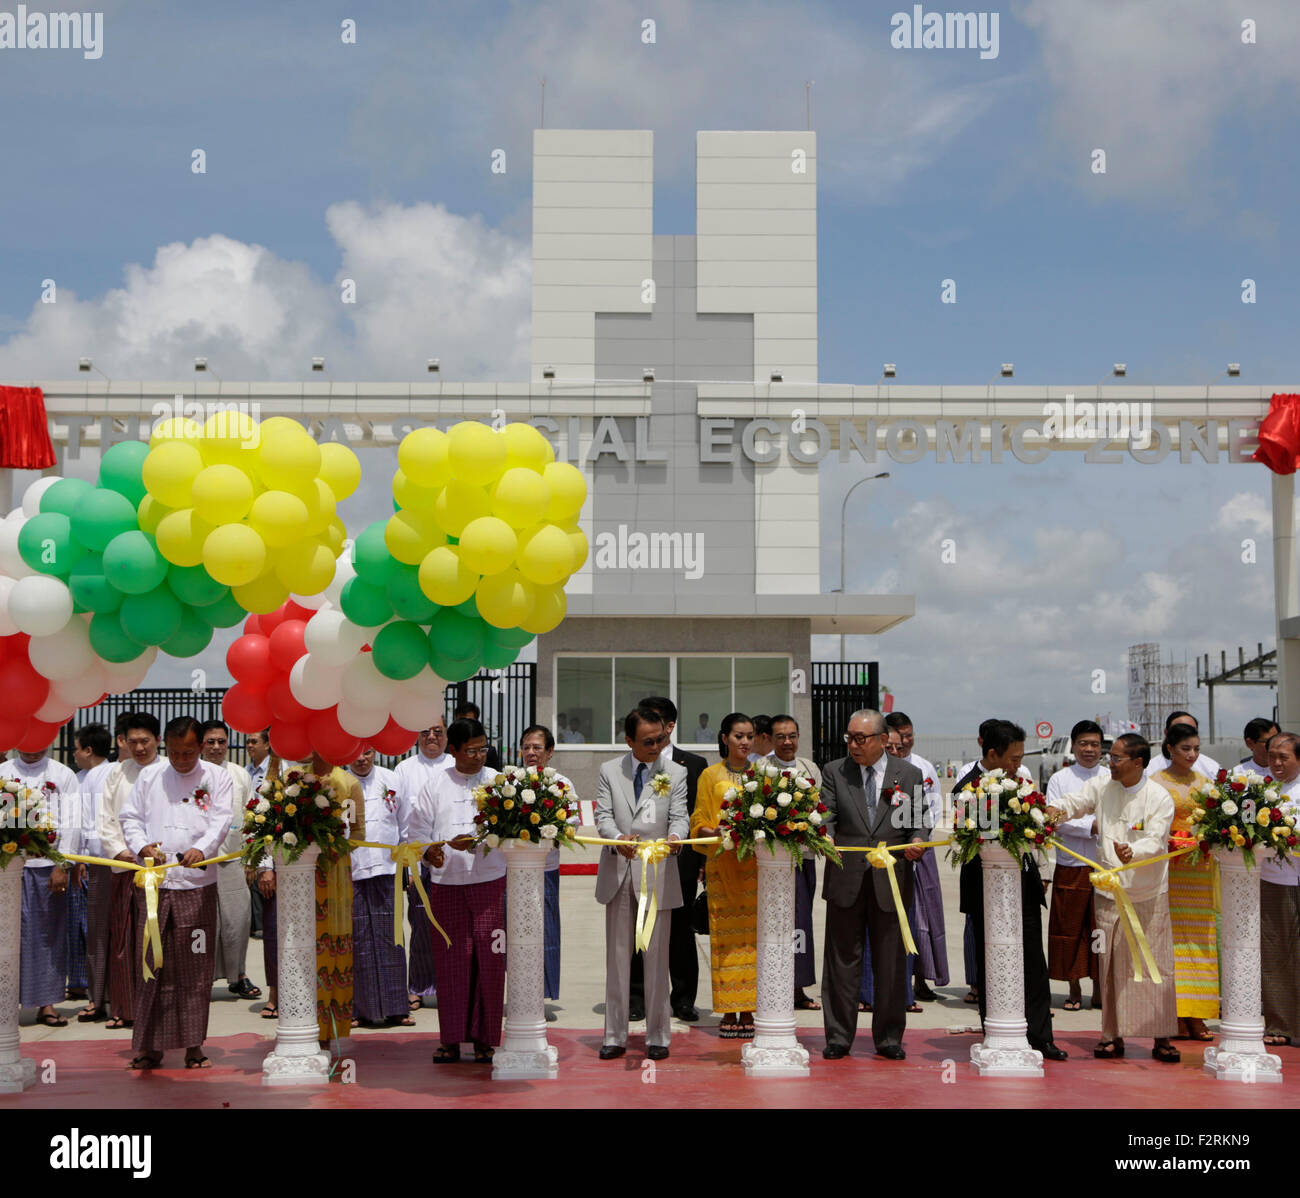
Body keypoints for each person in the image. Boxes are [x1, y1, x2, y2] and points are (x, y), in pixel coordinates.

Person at [1045, 733, 1180, 1062]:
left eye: (1117, 758)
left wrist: (1131, 850)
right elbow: (1075, 802)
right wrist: (1052, 812)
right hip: (1108, 893)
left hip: (1147, 895)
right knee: (1109, 966)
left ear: (1138, 763)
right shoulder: (1104, 786)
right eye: (1111, 757)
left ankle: (1161, 1037)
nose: (1110, 763)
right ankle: (1111, 1036)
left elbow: (1157, 839)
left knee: (1154, 965)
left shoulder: (1159, 797)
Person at [118, 716, 234, 1069]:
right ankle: (149, 1046)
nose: (182, 759)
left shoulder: (217, 777)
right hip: (155, 886)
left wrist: (203, 848)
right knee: (151, 964)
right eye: (175, 752)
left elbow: (221, 819)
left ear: (200, 747)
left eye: (188, 752)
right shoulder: (150, 775)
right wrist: (141, 847)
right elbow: (130, 817)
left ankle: (193, 1045)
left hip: (196, 886)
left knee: (194, 968)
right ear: (165, 747)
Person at [957, 720, 1068, 1061]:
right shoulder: (966, 788)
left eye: (1021, 757)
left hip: (1024, 884)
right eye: (1013, 757)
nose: (1018, 764)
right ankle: (996, 1030)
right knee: (992, 962)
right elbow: (968, 836)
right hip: (983, 888)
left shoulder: (1026, 784)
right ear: (992, 754)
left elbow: (1039, 836)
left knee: (1034, 963)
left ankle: (1041, 1036)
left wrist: (1044, 871)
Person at [819, 709, 926, 1061]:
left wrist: (917, 842)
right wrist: (827, 838)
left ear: (883, 740)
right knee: (841, 962)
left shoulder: (907, 775)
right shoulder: (835, 771)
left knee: (891, 962)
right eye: (849, 737)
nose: (853, 744)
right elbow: (826, 816)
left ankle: (889, 1038)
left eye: (861, 738)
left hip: (891, 879)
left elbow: (917, 823)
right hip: (845, 876)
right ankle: (838, 1036)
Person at [595, 707, 688, 1060]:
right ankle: (614, 1035)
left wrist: (678, 835)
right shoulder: (609, 771)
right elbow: (603, 814)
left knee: (657, 959)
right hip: (619, 871)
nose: (657, 746)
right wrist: (617, 837)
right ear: (629, 740)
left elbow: (680, 815)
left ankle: (659, 1036)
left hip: (658, 873)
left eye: (662, 739)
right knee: (617, 960)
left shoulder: (675, 772)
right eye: (648, 741)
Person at [411, 718, 505, 1064]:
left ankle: (485, 1039)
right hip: (448, 884)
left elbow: (511, 828)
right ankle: (450, 1039)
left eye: (483, 748)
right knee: (452, 961)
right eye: (471, 750)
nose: (479, 756)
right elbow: (417, 830)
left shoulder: (498, 782)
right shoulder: (435, 784)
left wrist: (484, 841)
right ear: (453, 750)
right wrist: (428, 851)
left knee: (490, 961)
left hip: (491, 882)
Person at [628, 695, 708, 1023]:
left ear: (670, 726)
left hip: (680, 863)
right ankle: (637, 996)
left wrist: (698, 860)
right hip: (639, 862)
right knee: (638, 930)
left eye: (656, 721)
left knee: (680, 934)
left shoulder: (694, 765)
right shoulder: (632, 764)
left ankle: (684, 999)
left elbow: (696, 814)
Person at [2, 742, 80, 1028]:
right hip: (8, 867)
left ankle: (46, 1003)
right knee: (8, 936)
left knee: (48, 935)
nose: (33, 749)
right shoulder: (4, 772)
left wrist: (63, 864)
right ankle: (5, 1003)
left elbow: (73, 822)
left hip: (48, 867)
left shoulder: (63, 775)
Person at [689, 713, 758, 1038]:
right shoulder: (709, 775)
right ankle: (730, 1009)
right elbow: (698, 818)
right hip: (722, 866)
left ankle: (750, 1009)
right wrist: (713, 831)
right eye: (738, 736)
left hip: (756, 871)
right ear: (724, 738)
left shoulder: (762, 774)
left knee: (753, 941)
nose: (744, 742)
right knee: (724, 941)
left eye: (749, 736)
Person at [1151, 721, 1219, 1041]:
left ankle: (1198, 1014)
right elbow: (1145, 825)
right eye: (1185, 749)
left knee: (1201, 942)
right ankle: (1176, 1012)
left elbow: (1216, 823)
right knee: (1171, 943)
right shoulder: (1154, 783)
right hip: (1168, 871)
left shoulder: (1207, 784)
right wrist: (1168, 841)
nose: (1192, 754)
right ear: (1170, 749)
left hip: (1200, 871)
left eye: (1196, 749)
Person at [97, 711, 161, 1029]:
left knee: (155, 940)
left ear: (157, 740)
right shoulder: (117, 773)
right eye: (133, 741)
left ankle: (155, 1009)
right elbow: (106, 818)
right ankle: (125, 1008)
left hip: (162, 870)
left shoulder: (169, 770)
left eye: (145, 741)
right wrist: (122, 852)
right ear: (124, 742)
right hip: (125, 866)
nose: (139, 748)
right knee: (124, 939)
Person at [884, 710, 947, 1002]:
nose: (904, 743)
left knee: (924, 917)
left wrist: (918, 840)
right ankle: (897, 983)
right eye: (899, 738)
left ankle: (922, 978)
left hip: (921, 850)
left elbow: (932, 808)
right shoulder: (881, 767)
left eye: (909, 736)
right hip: (889, 852)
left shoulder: (923, 767)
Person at [348, 747, 413, 1028]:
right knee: (358, 938)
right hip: (351, 870)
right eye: (355, 753)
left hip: (388, 869)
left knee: (391, 937)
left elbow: (406, 825)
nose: (361, 759)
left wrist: (407, 865)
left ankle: (397, 1006)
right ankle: (359, 1009)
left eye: (367, 752)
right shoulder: (338, 783)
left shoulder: (392, 779)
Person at [1045, 720, 1106, 1011]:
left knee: (1100, 929)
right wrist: (1091, 826)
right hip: (1070, 863)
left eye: (1095, 744)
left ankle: (1100, 987)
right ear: (1074, 745)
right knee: (1069, 927)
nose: (1089, 750)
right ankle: (1073, 987)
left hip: (1104, 865)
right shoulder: (1060, 779)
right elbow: (1055, 819)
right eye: (1084, 743)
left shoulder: (1111, 777)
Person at [199, 720, 260, 1002]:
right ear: (201, 744)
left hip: (234, 858)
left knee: (237, 921)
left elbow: (252, 818)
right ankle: (201, 978)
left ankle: (239, 976)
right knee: (204, 924)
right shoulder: (191, 773)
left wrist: (252, 860)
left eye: (221, 741)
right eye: (210, 741)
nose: (216, 747)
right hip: (199, 863)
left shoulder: (239, 775)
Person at [394, 719, 452, 1010]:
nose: (432, 737)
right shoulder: (404, 770)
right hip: (416, 862)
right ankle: (417, 987)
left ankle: (450, 985)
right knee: (419, 924)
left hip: (453, 863)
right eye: (425, 731)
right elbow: (398, 821)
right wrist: (405, 864)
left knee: (451, 927)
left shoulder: (455, 766)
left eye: (438, 732)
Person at [519, 724, 578, 1006]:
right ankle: (518, 990)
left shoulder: (562, 784)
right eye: (527, 747)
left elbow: (573, 823)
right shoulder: (511, 782)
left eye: (537, 748)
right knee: (515, 933)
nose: (531, 753)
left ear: (550, 752)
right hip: (513, 872)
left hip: (546, 871)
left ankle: (542, 994)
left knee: (546, 931)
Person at [768, 714, 822, 1010]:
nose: (787, 742)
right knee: (773, 923)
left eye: (792, 736)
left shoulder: (809, 768)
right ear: (772, 739)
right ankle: (773, 982)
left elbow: (821, 808)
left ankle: (798, 987)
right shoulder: (762, 769)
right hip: (771, 862)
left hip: (804, 858)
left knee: (801, 922)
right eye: (780, 736)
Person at [72, 723, 113, 1022]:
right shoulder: (120, 772)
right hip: (123, 861)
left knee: (98, 934)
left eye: (76, 748)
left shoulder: (89, 779)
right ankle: (115, 998)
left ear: (88, 750)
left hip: (100, 863)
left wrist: (79, 860)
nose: (74, 754)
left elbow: (84, 823)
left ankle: (98, 998)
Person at [1261, 732, 1300, 1046]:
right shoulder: (1262, 791)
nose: (1276, 763)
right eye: (1272, 756)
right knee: (1274, 956)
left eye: (1283, 757)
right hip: (1272, 882)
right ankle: (1279, 1025)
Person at [245, 729, 271, 940]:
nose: (250, 745)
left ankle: (264, 923)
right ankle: (256, 923)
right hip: (249, 832)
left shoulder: (274, 770)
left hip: (269, 833)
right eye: (248, 742)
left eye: (254, 741)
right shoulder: (245, 772)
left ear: (267, 744)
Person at [1144, 711, 1221, 779]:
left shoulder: (1211, 768)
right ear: (1166, 733)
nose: (1187, 735)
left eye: (1191, 731)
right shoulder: (1150, 771)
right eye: (1180, 731)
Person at [453, 702, 502, 770]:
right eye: (461, 721)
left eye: (468, 721)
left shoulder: (489, 753)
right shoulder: (446, 749)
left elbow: (496, 778)